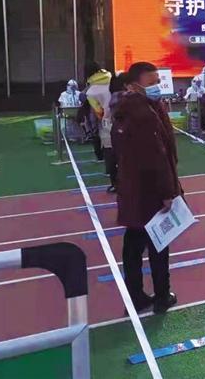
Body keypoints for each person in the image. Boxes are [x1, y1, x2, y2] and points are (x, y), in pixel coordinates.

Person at [112, 62, 181, 314]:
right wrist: (167, 192)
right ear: (133, 86)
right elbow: (157, 157)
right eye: (151, 83)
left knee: (133, 245)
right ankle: (162, 296)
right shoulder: (142, 114)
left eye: (157, 81)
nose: (157, 86)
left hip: (133, 189)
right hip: (150, 192)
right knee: (158, 244)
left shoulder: (126, 110)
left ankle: (135, 296)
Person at [84, 63, 112, 161]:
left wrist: (101, 115)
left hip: (102, 115)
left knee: (100, 135)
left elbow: (97, 110)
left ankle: (100, 156)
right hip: (117, 110)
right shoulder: (110, 78)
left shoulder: (91, 90)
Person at [105, 73, 128, 193]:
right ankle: (119, 184)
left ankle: (117, 183)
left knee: (116, 158)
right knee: (120, 158)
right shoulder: (121, 97)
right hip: (122, 131)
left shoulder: (115, 96)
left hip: (117, 130)